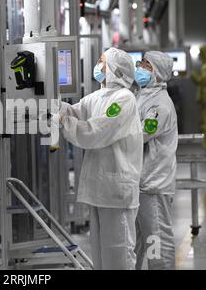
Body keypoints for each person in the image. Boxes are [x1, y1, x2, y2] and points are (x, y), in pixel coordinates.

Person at [52, 48, 143, 270]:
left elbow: (96, 131)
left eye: (102, 61)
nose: (98, 65)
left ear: (114, 69)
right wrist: (52, 105)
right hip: (100, 190)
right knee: (102, 257)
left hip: (116, 189)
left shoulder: (124, 99)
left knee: (118, 255)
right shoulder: (97, 97)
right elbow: (75, 112)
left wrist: (64, 122)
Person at [133, 51, 178, 270]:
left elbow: (140, 134)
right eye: (141, 62)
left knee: (157, 244)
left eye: (146, 65)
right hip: (142, 183)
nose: (140, 67)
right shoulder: (143, 95)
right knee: (137, 243)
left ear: (158, 73)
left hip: (154, 184)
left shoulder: (159, 105)